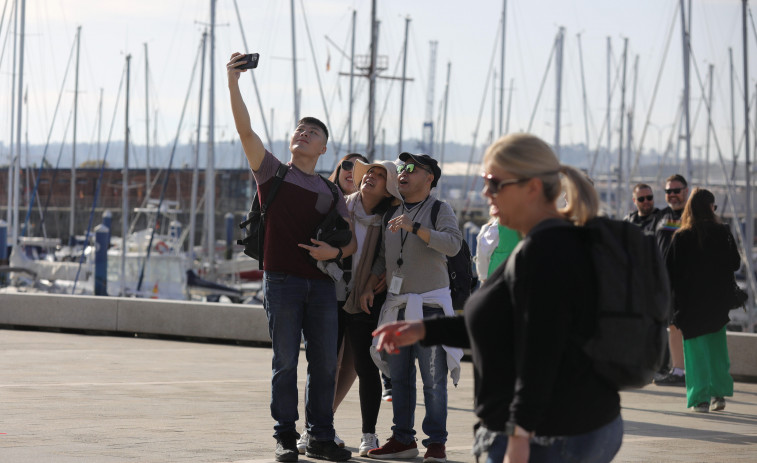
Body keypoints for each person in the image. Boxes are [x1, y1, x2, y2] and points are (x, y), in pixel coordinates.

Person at [373, 133, 622, 463]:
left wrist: (519, 434)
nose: (484, 193)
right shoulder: (534, 245)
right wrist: (424, 331)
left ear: (531, 187)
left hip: (547, 437)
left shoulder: (550, 252)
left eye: (493, 182)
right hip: (549, 431)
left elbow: (542, 354)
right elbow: (502, 327)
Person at [227, 52, 356, 462]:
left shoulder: (331, 191)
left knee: (323, 366)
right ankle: (285, 436)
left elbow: (351, 243)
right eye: (300, 128)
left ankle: (321, 435)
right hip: (281, 280)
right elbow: (245, 129)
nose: (304, 132)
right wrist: (234, 83)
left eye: (313, 131)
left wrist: (333, 251)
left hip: (320, 284)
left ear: (323, 148)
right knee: (284, 363)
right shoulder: (271, 171)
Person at [360, 152, 463, 463]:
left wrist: (416, 227)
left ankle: (436, 444)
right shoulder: (392, 211)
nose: (402, 173)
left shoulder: (439, 208)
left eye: (412, 169)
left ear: (429, 178)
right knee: (399, 378)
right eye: (401, 168)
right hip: (397, 306)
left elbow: (453, 244)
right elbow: (383, 256)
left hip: (430, 307)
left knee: (433, 382)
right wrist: (369, 283)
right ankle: (402, 439)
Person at [295, 152, 370, 453]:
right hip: (329, 293)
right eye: (347, 166)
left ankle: (325, 423)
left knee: (352, 363)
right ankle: (310, 430)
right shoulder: (326, 200)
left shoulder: (372, 209)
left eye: (360, 168)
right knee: (328, 364)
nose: (352, 172)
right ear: (337, 170)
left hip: (360, 295)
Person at [666, 188, 738, 412]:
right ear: (709, 207)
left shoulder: (681, 237)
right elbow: (735, 263)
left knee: (695, 352)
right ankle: (719, 394)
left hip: (690, 305)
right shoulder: (722, 232)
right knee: (717, 350)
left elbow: (670, 272)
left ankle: (700, 399)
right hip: (717, 302)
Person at [653, 174, 689, 387]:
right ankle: (677, 371)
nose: (672, 195)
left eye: (676, 190)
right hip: (663, 283)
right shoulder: (662, 216)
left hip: (686, 283)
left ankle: (686, 370)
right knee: (672, 326)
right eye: (668, 191)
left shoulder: (692, 216)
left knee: (686, 327)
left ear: (686, 191)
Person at [475, 208, 520, 284]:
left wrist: (483, 276)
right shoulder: (527, 221)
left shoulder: (493, 227)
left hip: (497, 276)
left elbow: (483, 252)